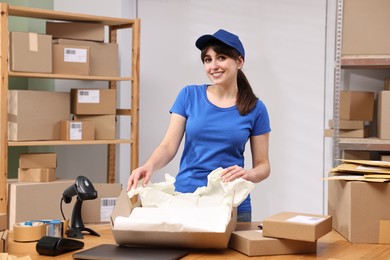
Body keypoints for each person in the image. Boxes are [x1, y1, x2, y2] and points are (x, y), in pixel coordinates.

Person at [127, 29, 271, 222]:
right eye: (207, 60)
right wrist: (149, 165)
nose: (213, 66)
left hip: (232, 204)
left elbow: (263, 165)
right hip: (187, 201)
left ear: (239, 61)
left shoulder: (255, 108)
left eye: (221, 57)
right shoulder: (189, 96)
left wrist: (249, 174)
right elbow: (168, 146)